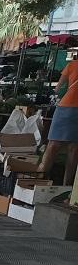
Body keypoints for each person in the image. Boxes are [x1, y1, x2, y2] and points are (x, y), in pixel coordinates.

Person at [37, 57, 78, 186]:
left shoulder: (72, 65)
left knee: (53, 145)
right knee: (74, 149)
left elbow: (58, 89)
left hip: (65, 107)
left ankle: (38, 181)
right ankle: (67, 187)